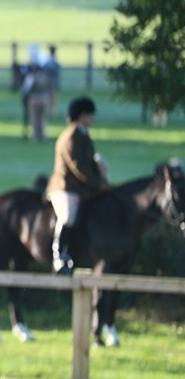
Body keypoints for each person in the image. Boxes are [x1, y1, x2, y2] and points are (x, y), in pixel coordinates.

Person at [46, 97, 107, 275]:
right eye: (90, 115)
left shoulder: (83, 134)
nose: (92, 118)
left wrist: (103, 180)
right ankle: (59, 256)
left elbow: (90, 163)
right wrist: (98, 183)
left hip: (81, 186)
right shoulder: (70, 137)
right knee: (68, 216)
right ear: (82, 115)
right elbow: (78, 166)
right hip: (65, 187)